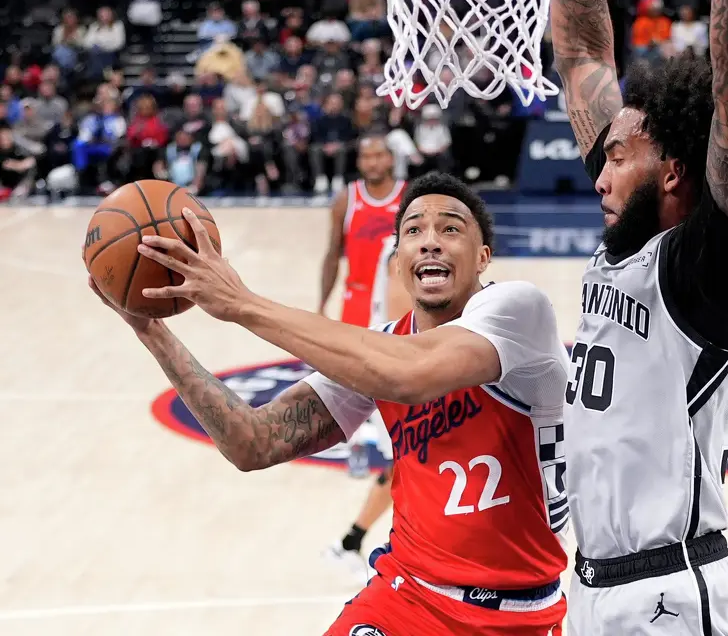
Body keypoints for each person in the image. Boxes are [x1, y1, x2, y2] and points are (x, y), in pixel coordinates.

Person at [96, 173, 570, 635]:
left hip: (517, 614)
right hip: (405, 598)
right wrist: (152, 332)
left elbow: (409, 374)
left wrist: (241, 303)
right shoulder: (380, 349)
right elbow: (254, 443)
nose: (430, 241)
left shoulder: (519, 312)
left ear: (483, 256)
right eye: (413, 231)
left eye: (450, 228)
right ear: (398, 258)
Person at [551, 0, 728, 632]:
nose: (600, 175)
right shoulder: (627, 241)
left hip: (673, 591)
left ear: (675, 173)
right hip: (591, 585)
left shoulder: (705, 273)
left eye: (619, 157)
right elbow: (581, 58)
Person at [318, 133, 410, 582]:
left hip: (388, 325)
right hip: (377, 325)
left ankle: (355, 541)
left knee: (406, 458)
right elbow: (332, 254)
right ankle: (353, 540)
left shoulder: (408, 208)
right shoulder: (351, 204)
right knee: (402, 453)